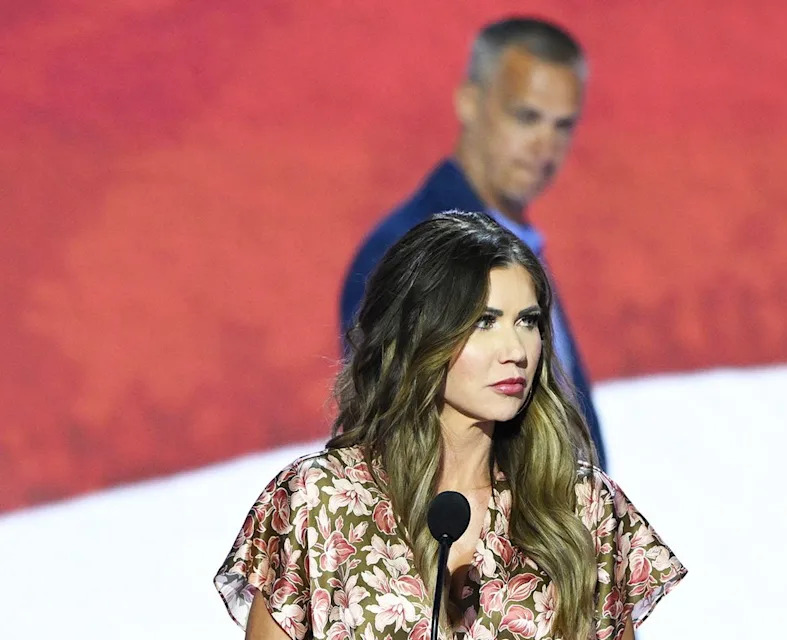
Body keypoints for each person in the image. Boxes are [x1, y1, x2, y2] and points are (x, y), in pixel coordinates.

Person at [216, 212, 685, 640]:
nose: (516, 351)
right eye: (484, 322)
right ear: (419, 333)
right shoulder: (320, 502)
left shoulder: (583, 509)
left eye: (527, 321)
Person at [339, 16, 608, 469]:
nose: (545, 145)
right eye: (526, 116)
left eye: (562, 125)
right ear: (469, 102)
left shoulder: (515, 245)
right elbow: (391, 435)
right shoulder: (407, 249)